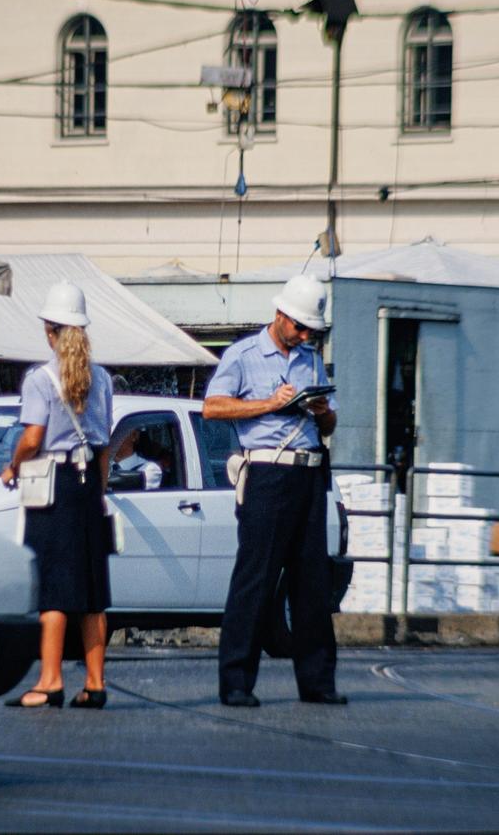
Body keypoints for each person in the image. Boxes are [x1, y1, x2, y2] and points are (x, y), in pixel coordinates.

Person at [202, 274, 346, 707]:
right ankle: (236, 682)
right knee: (255, 578)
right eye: (300, 327)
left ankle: (318, 681)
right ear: (280, 315)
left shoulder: (311, 360)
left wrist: (321, 411)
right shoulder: (243, 355)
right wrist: (270, 403)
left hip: (307, 473)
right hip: (266, 473)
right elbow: (213, 406)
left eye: (310, 331)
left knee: (311, 583)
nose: (304, 336)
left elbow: (331, 423)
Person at [1, 280, 115, 710]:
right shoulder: (101, 378)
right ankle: (95, 682)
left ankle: (49, 681)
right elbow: (103, 445)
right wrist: (99, 493)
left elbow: (33, 438)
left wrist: (13, 466)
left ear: (50, 330)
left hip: (53, 485)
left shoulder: (41, 378)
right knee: (92, 587)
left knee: (52, 585)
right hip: (88, 487)